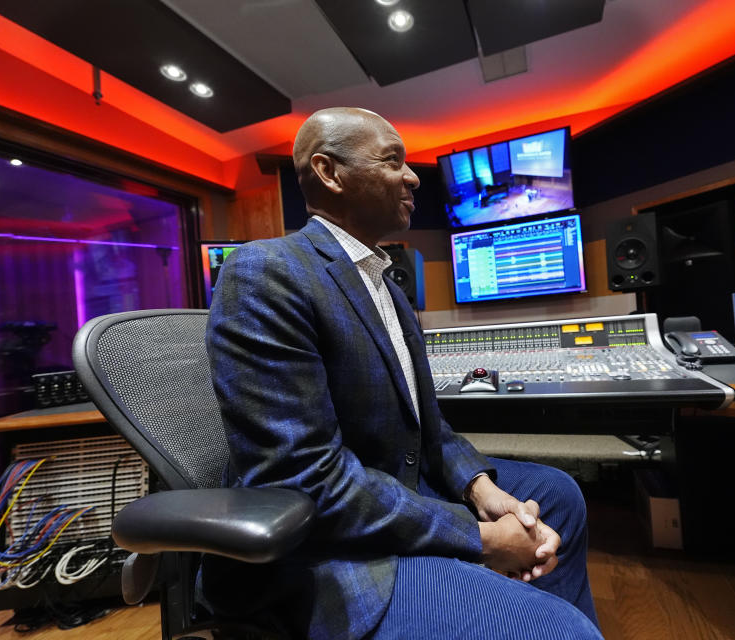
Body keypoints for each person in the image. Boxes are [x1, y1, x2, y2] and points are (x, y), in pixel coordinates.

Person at [202, 107, 602, 640]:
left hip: (396, 485)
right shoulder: (265, 272)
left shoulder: (384, 281)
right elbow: (304, 480)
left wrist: (480, 488)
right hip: (325, 549)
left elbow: (427, 425)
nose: (414, 176)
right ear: (329, 172)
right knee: (562, 632)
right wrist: (482, 539)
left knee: (558, 495)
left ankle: (509, 606)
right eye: (393, 161)